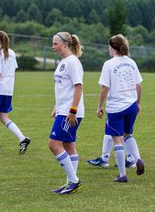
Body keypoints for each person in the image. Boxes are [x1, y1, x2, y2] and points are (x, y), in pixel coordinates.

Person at [94, 34, 144, 182]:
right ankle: (138, 159)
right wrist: (138, 103)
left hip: (116, 107)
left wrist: (99, 106)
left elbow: (104, 88)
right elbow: (138, 86)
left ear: (113, 48)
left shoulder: (108, 64)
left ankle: (122, 175)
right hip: (131, 105)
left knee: (117, 140)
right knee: (128, 134)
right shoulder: (131, 62)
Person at [0, 31, 31, 154]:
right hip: (9, 90)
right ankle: (23, 138)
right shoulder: (12, 53)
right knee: (4, 118)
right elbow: (12, 71)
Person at [49, 32, 84, 195]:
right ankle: (70, 182)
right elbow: (64, 87)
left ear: (65, 44)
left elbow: (78, 87)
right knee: (69, 146)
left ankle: (75, 181)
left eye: (55, 43)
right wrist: (57, 106)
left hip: (70, 112)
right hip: (63, 110)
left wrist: (72, 111)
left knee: (54, 144)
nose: (53, 46)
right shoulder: (63, 62)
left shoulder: (72, 62)